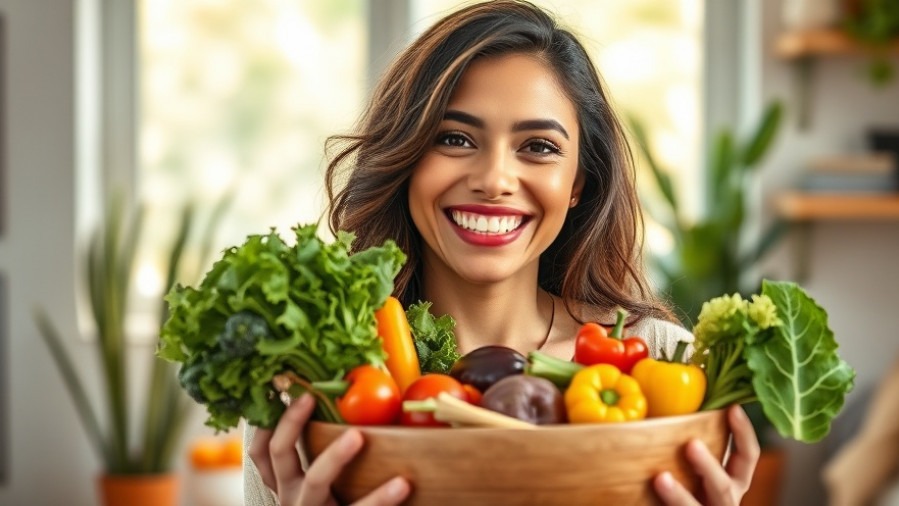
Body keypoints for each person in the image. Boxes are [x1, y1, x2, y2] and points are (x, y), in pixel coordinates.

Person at [246, 1, 759, 505]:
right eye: (454, 138)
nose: (494, 181)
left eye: (538, 146)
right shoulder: (310, 386)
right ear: (406, 161)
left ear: (578, 182)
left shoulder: (667, 363)